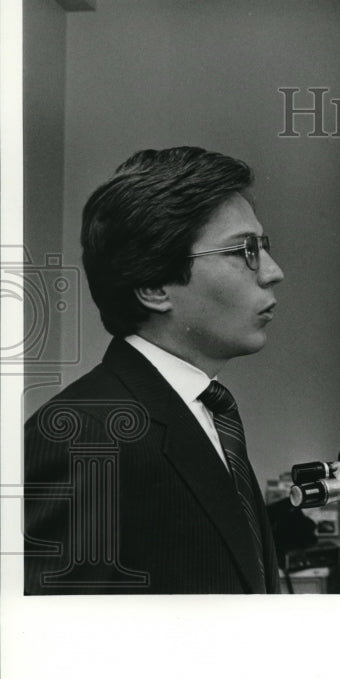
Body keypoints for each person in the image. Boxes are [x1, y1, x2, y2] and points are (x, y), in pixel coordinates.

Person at [24, 147, 285, 594]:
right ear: (153, 286)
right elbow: (54, 645)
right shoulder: (83, 434)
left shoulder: (206, 408)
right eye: (245, 250)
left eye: (263, 247)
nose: (273, 272)